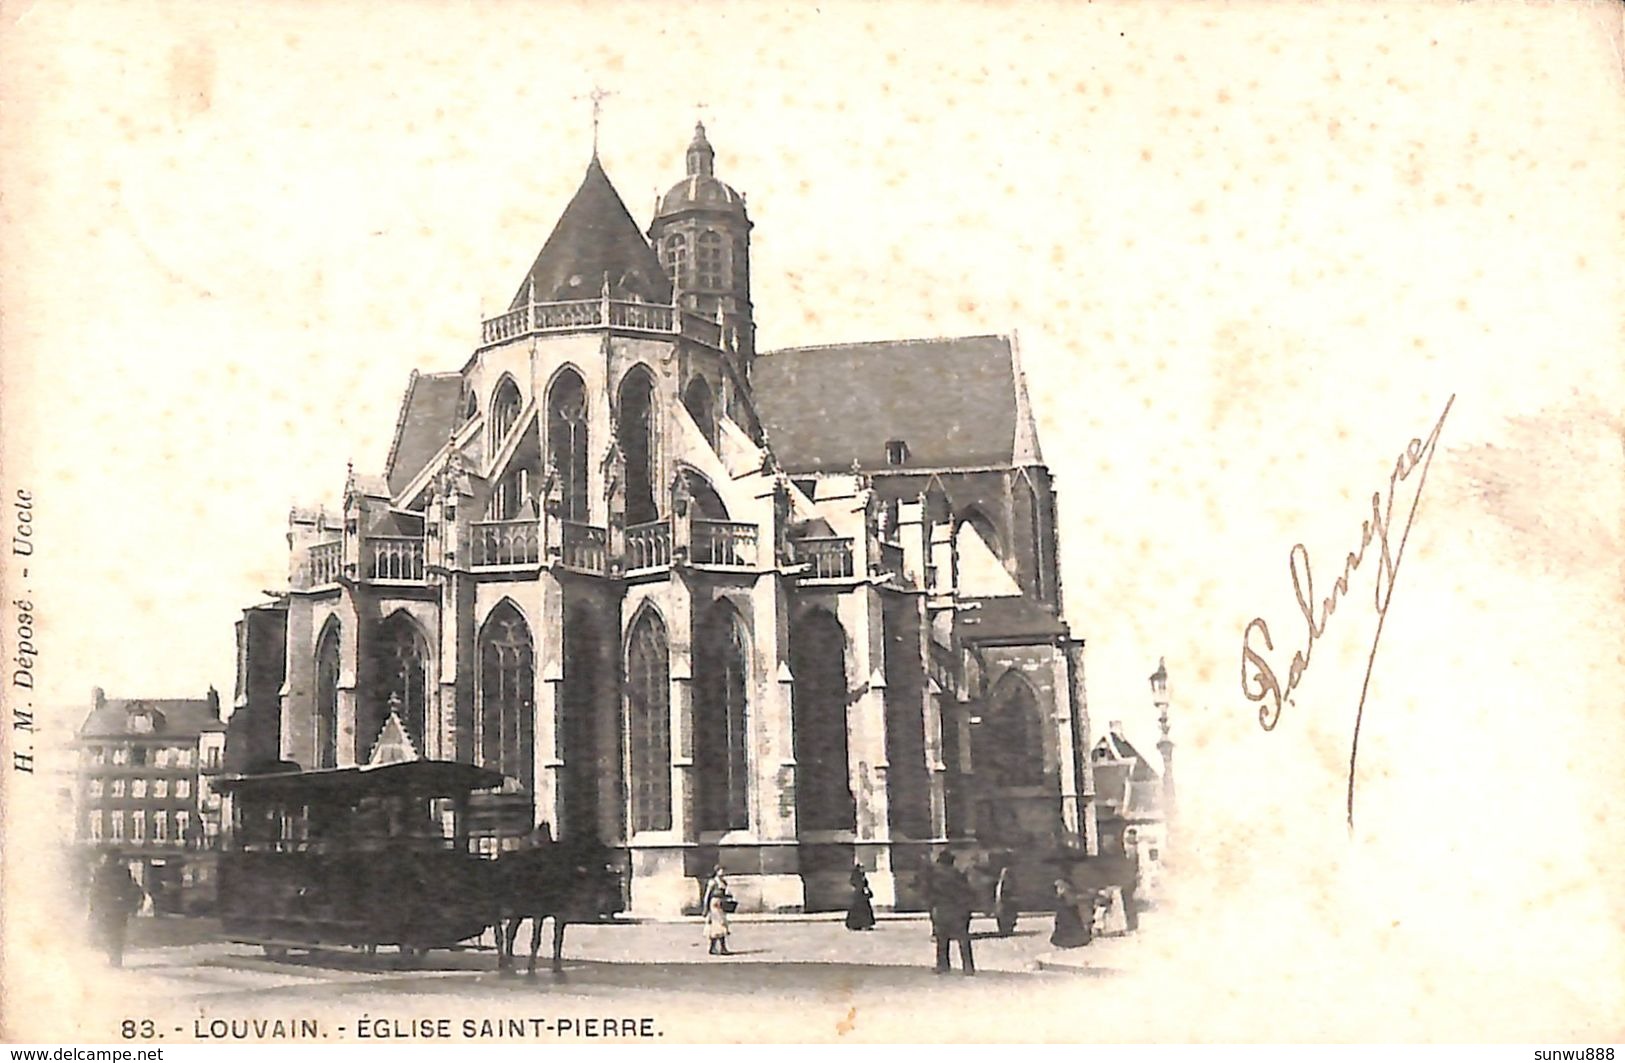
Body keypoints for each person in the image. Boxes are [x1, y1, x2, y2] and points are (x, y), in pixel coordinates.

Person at [923, 851, 975, 975]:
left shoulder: (934, 876)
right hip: (958, 910)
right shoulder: (958, 875)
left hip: (941, 910)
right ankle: (968, 966)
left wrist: (931, 906)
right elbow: (967, 892)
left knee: (942, 939)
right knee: (963, 939)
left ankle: (943, 965)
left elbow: (928, 893)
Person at [90, 853, 144, 967]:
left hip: (106, 906)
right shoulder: (124, 871)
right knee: (118, 932)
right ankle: (117, 957)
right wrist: (131, 906)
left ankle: (112, 955)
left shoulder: (101, 872)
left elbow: (96, 890)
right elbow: (130, 888)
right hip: (120, 907)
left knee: (107, 931)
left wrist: (94, 908)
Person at [1049, 878, 1091, 949]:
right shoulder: (1064, 899)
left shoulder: (1068, 898)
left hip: (1071, 926)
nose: (1057, 890)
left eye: (1059, 888)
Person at [845, 863, 876, 931]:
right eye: (861, 868)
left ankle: (865, 924)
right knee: (859, 909)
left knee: (864, 910)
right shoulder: (856, 876)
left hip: (862, 894)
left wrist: (867, 890)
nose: (863, 869)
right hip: (859, 894)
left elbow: (865, 884)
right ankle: (855, 925)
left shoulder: (862, 875)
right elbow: (854, 883)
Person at [993, 865, 1019, 937]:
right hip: (1004, 902)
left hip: (1006, 902)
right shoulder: (1003, 883)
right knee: (1004, 916)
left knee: (1007, 916)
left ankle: (1007, 929)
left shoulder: (1008, 882)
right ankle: (1005, 929)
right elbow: (1000, 893)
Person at [705, 891, 731, 955]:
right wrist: (706, 909)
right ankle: (721, 948)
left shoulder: (721, 882)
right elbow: (708, 895)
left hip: (719, 904)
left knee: (720, 926)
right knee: (719, 926)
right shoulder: (713, 882)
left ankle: (714, 947)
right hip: (715, 906)